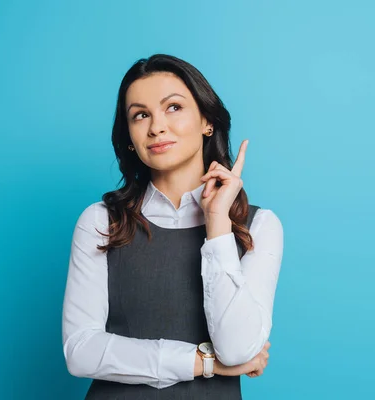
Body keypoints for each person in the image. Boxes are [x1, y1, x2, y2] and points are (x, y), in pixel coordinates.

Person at [62, 54, 284, 399]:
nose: (156, 127)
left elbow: (238, 350)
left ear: (207, 121)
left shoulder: (259, 226)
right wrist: (203, 362)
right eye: (141, 115)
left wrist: (217, 223)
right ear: (130, 136)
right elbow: (80, 352)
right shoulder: (101, 221)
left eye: (174, 107)